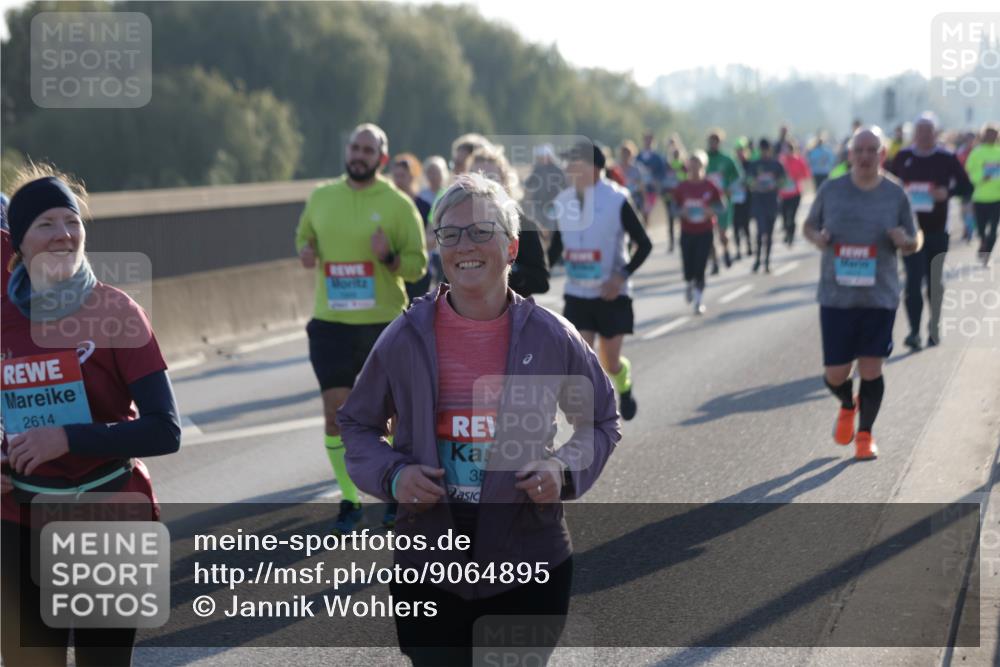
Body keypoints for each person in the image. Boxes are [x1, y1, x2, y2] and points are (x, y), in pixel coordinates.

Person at [338, 172, 620, 666]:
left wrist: (562, 469)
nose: (464, 244)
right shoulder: (404, 337)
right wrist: (394, 475)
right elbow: (357, 425)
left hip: (528, 562)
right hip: (429, 566)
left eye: (480, 231)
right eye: (450, 233)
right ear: (438, 249)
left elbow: (600, 421)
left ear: (511, 247)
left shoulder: (552, 337)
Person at [1, 165, 181, 666]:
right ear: (19, 242)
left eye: (71, 220)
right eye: (46, 224)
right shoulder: (4, 319)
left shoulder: (117, 311)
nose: (63, 233)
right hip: (20, 518)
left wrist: (68, 438)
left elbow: (165, 429)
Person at [295, 123, 427, 534]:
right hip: (331, 324)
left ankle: (393, 493)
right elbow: (303, 238)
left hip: (383, 325)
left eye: (368, 150)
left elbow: (418, 266)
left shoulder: (398, 204)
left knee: (391, 419)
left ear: (381, 159)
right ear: (347, 150)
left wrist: (388, 258)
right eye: (355, 147)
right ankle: (350, 500)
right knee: (335, 414)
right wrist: (306, 251)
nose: (359, 155)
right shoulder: (321, 197)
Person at [803, 127, 922, 461]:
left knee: (871, 369)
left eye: (872, 150)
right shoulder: (832, 189)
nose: (866, 156)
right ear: (850, 154)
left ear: (882, 154)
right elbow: (808, 226)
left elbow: (916, 238)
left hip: (879, 296)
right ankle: (847, 403)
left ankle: (865, 435)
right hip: (836, 297)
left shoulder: (895, 193)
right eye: (860, 150)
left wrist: (905, 241)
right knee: (836, 373)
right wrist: (818, 237)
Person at [549, 141, 652, 420]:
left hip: (611, 294)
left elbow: (644, 244)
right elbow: (556, 246)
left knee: (610, 361)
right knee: (581, 360)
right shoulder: (563, 201)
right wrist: (539, 271)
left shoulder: (617, 199)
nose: (568, 169)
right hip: (577, 294)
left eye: (574, 163)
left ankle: (623, 382)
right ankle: (596, 418)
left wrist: (620, 277)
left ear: (593, 168)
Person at [887, 113, 973, 349]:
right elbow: (887, 184)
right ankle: (914, 332)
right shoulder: (903, 157)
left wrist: (947, 192)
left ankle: (934, 326)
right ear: (914, 134)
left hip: (937, 229)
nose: (924, 135)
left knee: (934, 281)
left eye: (929, 131)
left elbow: (966, 186)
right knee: (913, 281)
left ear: (936, 133)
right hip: (909, 230)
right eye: (920, 131)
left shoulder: (946, 157)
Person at [468, 144, 550, 297]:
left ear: (504, 181)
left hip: (511, 309)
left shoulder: (524, 225)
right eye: (477, 179)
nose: (483, 186)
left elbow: (541, 281)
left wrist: (507, 267)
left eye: (490, 178)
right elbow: (448, 280)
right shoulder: (460, 225)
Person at [672, 150, 726, 314]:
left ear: (704, 167)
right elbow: (673, 208)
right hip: (687, 231)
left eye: (698, 165)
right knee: (688, 267)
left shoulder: (710, 186)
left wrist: (711, 210)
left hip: (705, 231)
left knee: (701, 265)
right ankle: (689, 283)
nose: (694, 169)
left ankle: (698, 301)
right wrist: (681, 212)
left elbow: (722, 206)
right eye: (692, 165)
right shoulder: (682, 187)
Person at [392, 153, 434, 302]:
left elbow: (433, 238)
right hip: (394, 271)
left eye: (402, 176)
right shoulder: (388, 207)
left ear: (412, 177)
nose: (398, 181)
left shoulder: (424, 206)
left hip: (419, 273)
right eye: (396, 176)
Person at [746, 138, 787, 273]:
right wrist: (756, 184)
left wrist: (774, 185)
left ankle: (767, 261)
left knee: (769, 234)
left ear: (770, 150)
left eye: (766, 149)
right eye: (762, 150)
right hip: (759, 202)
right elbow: (748, 180)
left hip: (772, 203)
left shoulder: (776, 164)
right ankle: (758, 259)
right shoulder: (755, 164)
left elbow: (784, 180)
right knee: (760, 232)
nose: (764, 152)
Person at [705, 130, 742, 271]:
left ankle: (726, 251)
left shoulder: (727, 159)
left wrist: (730, 189)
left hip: (723, 201)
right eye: (711, 141)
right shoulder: (703, 159)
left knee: (722, 233)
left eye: (716, 141)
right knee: (708, 234)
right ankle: (714, 262)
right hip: (707, 203)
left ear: (720, 143)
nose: (713, 144)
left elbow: (738, 178)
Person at [965, 122, 1000, 265]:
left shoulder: (999, 151)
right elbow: (970, 171)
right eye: (989, 134)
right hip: (980, 198)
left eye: (994, 134)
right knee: (981, 229)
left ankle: (987, 254)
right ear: (984, 136)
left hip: (997, 198)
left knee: (993, 230)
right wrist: (982, 177)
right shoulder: (977, 152)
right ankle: (983, 243)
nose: (992, 137)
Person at [522, 143, 567, 235]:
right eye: (539, 157)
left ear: (549, 156)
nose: (540, 159)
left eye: (542, 157)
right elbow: (529, 185)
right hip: (538, 206)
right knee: (539, 230)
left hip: (553, 205)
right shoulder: (537, 170)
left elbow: (565, 187)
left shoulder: (557, 170)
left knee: (551, 230)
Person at [778, 141, 812, 246]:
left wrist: (796, 176)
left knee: (792, 216)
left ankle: (791, 236)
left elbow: (806, 174)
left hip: (795, 193)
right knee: (784, 216)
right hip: (783, 194)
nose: (785, 151)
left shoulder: (799, 160)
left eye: (787, 149)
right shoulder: (781, 161)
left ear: (792, 149)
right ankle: (787, 232)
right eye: (784, 149)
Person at [636, 131, 668, 219]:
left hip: (651, 190)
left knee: (648, 214)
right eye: (646, 140)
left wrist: (656, 181)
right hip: (639, 191)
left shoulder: (658, 158)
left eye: (650, 140)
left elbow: (662, 173)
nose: (648, 142)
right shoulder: (638, 156)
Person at [732, 139, 753, 260]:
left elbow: (753, 179)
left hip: (746, 199)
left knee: (745, 224)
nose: (740, 153)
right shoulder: (733, 165)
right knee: (735, 225)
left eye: (742, 151)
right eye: (738, 151)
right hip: (734, 199)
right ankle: (738, 249)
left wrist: (747, 184)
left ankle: (749, 246)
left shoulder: (749, 164)